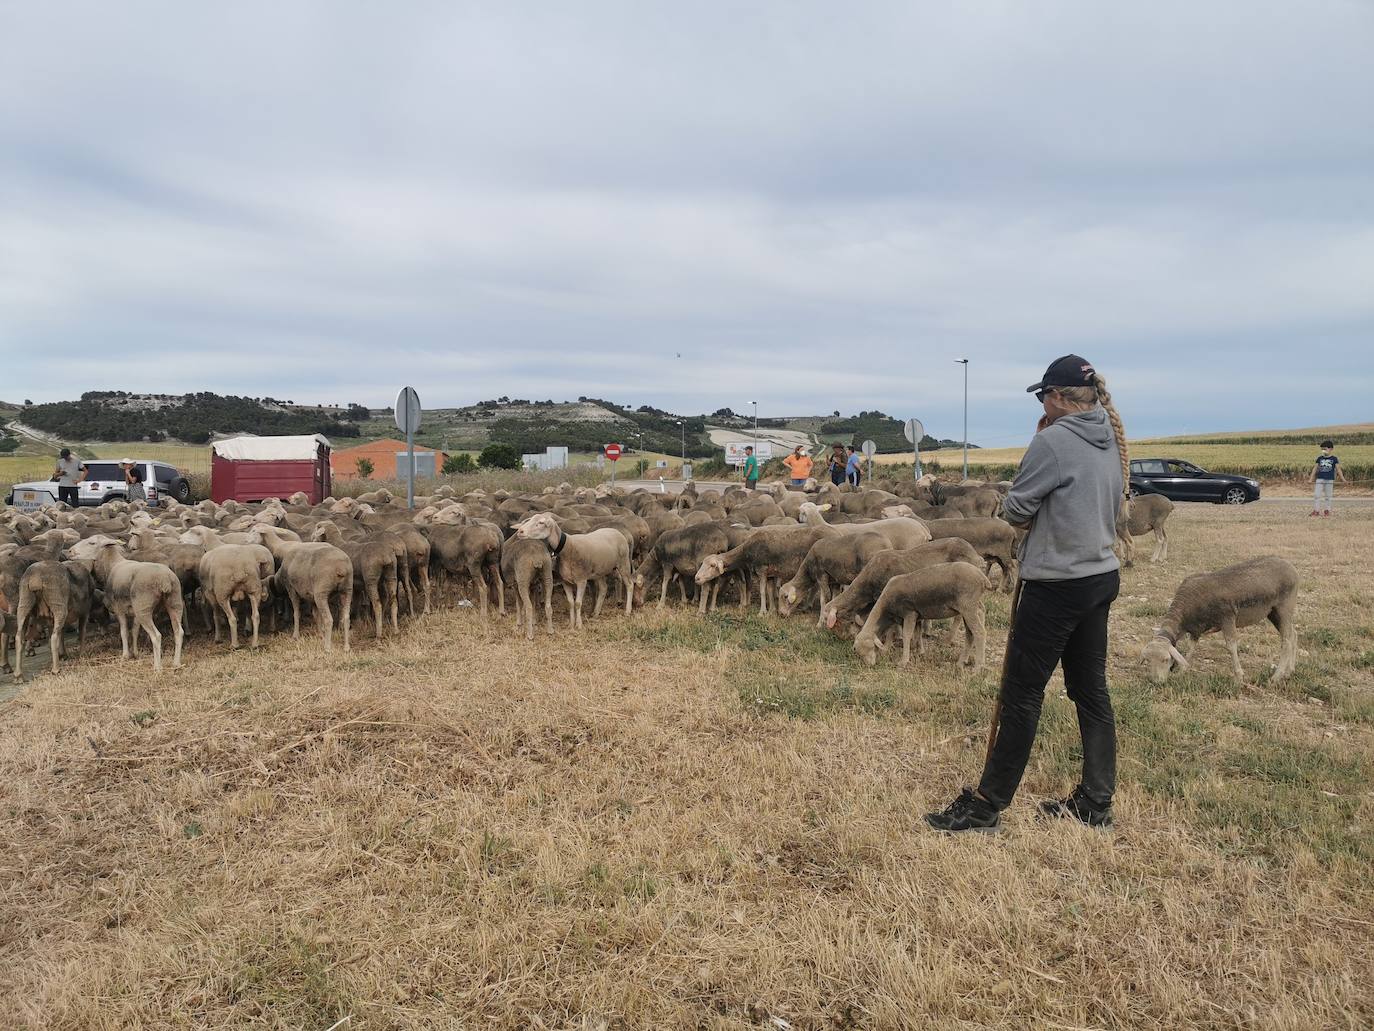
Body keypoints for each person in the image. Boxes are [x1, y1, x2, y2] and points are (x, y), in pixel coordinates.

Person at [926, 354, 1130, 833]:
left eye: (1043, 395)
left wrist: (1039, 440)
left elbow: (1015, 511)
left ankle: (986, 805)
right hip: (1099, 577)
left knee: (1020, 693)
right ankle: (1095, 802)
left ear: (1058, 398)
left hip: (1055, 583)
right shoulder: (1112, 439)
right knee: (1090, 690)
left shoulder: (1054, 441)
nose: (1041, 403)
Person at [1310, 440, 1345, 517]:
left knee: (1328, 496)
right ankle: (1316, 511)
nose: (1323, 451)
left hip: (1329, 480)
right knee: (1317, 495)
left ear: (1331, 449)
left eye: (1325, 449)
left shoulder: (1334, 459)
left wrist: (1343, 479)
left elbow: (1338, 469)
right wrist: (1311, 479)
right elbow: (1315, 469)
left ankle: (1327, 510)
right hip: (1319, 479)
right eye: (1322, 449)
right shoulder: (1320, 458)